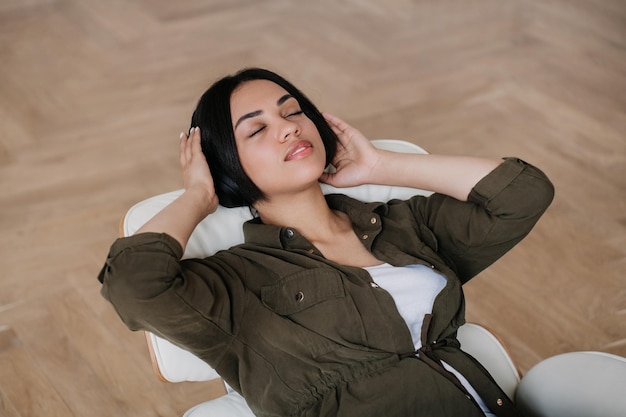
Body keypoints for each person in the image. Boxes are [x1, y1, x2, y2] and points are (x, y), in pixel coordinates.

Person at [98, 68, 554, 417]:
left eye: (292, 111)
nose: (289, 127)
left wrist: (379, 165)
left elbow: (522, 194)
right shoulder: (236, 282)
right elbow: (134, 285)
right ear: (226, 166)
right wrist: (199, 195)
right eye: (256, 129)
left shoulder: (401, 226)